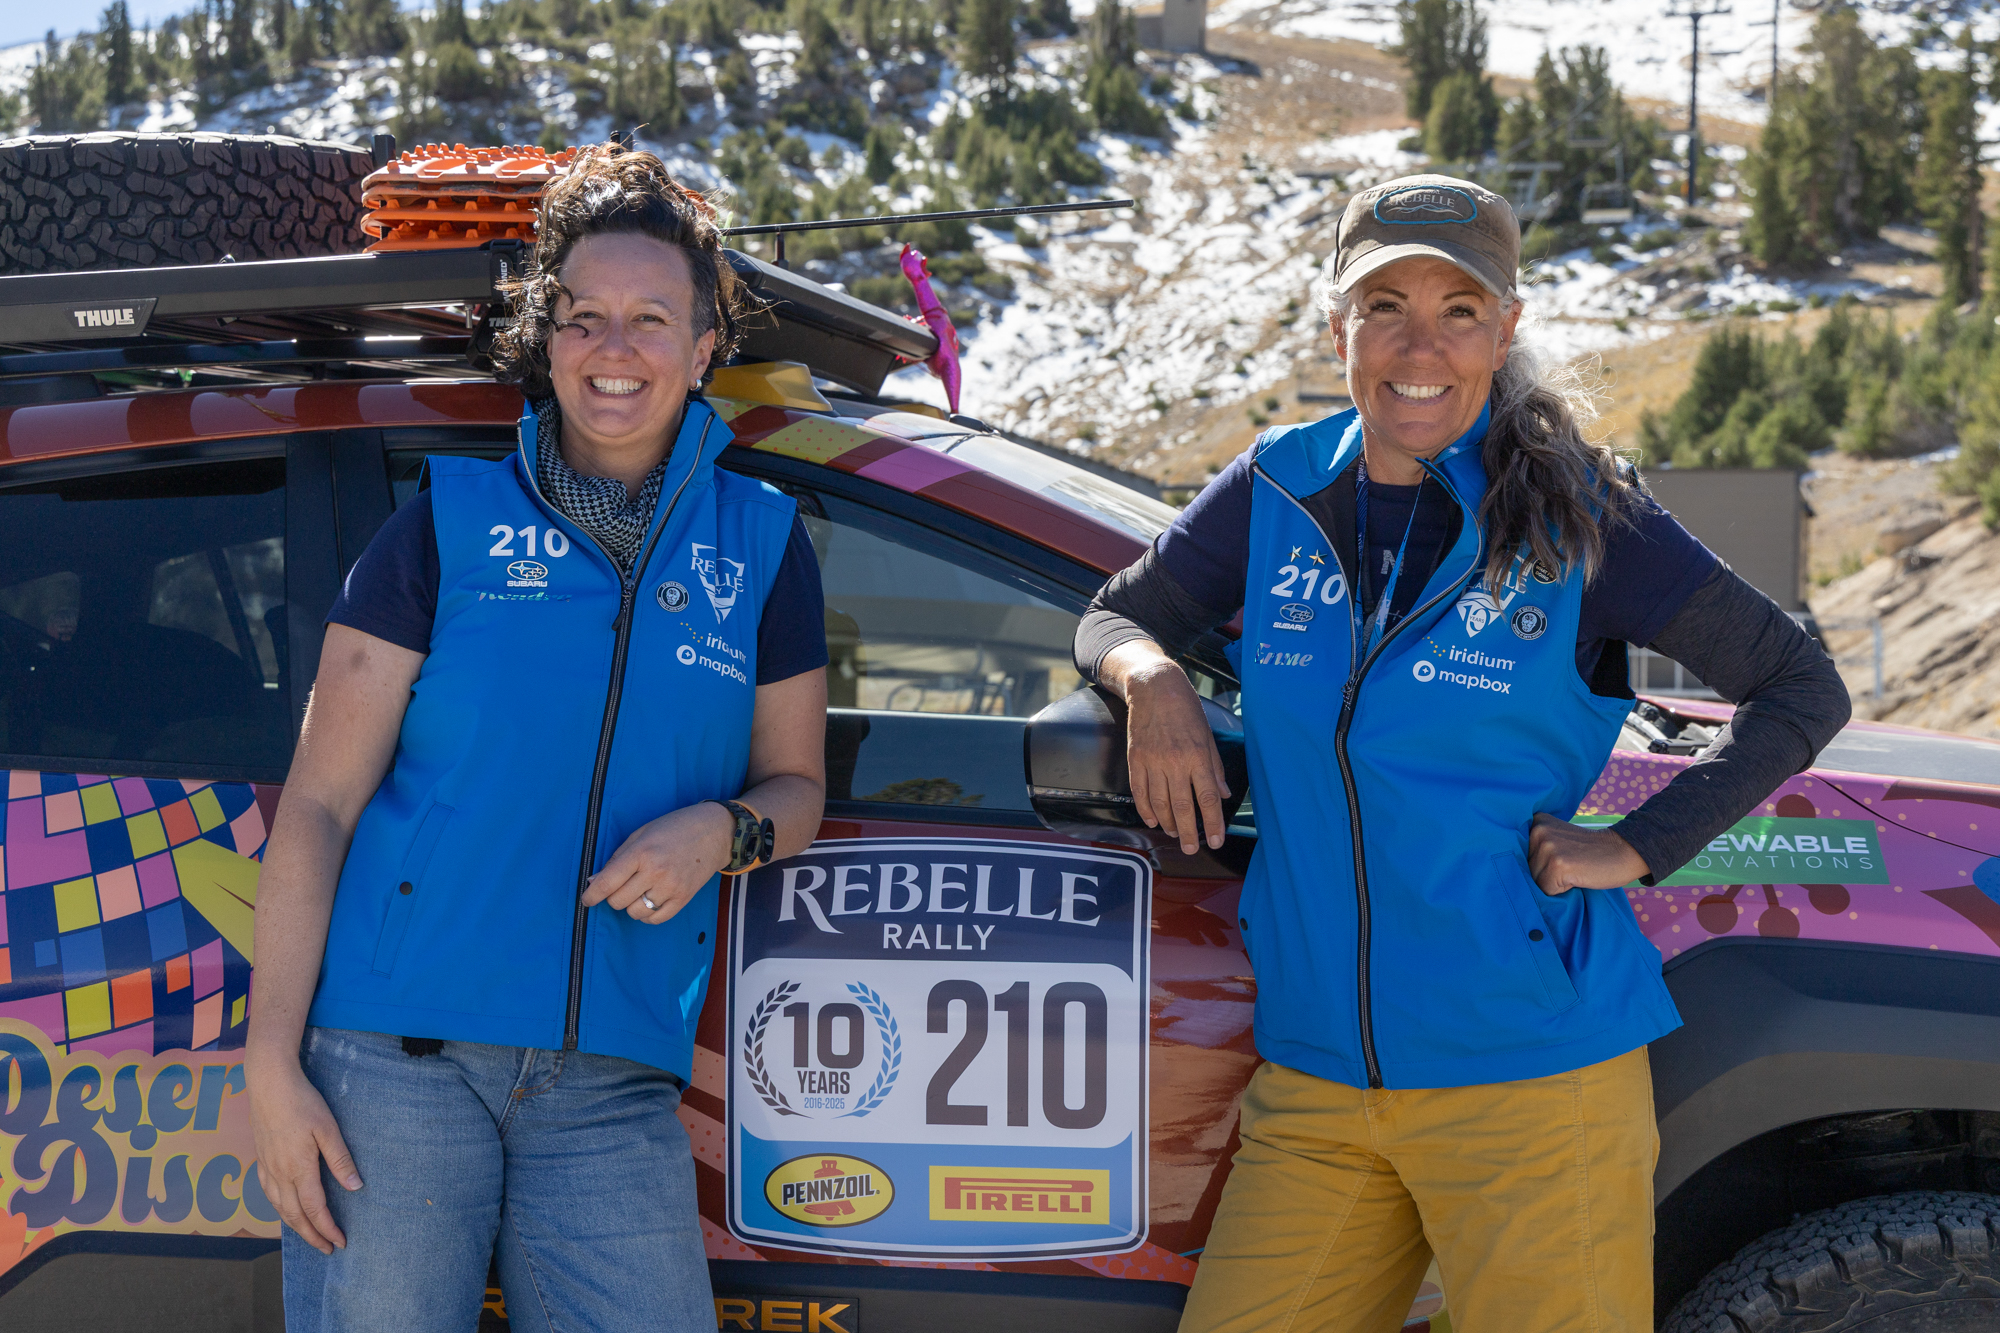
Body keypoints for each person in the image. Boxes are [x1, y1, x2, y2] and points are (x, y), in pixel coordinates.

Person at [1074, 174, 1850, 1331]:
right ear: (1335, 327)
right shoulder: (1277, 486)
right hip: (1320, 1086)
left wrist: (1634, 847)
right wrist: (1155, 681)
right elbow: (1109, 613)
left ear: (1505, 326)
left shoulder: (1579, 513)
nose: (1416, 344)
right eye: (1382, 305)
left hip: (1529, 1084)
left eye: (1456, 308)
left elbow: (1798, 687)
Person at [246, 146, 830, 1332]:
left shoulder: (763, 546)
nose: (613, 350)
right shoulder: (445, 529)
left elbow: (798, 787)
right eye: (583, 318)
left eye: (650, 320)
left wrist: (721, 830)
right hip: (396, 1064)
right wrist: (270, 1066)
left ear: (705, 344)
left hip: (609, 1084)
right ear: (545, 335)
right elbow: (317, 802)